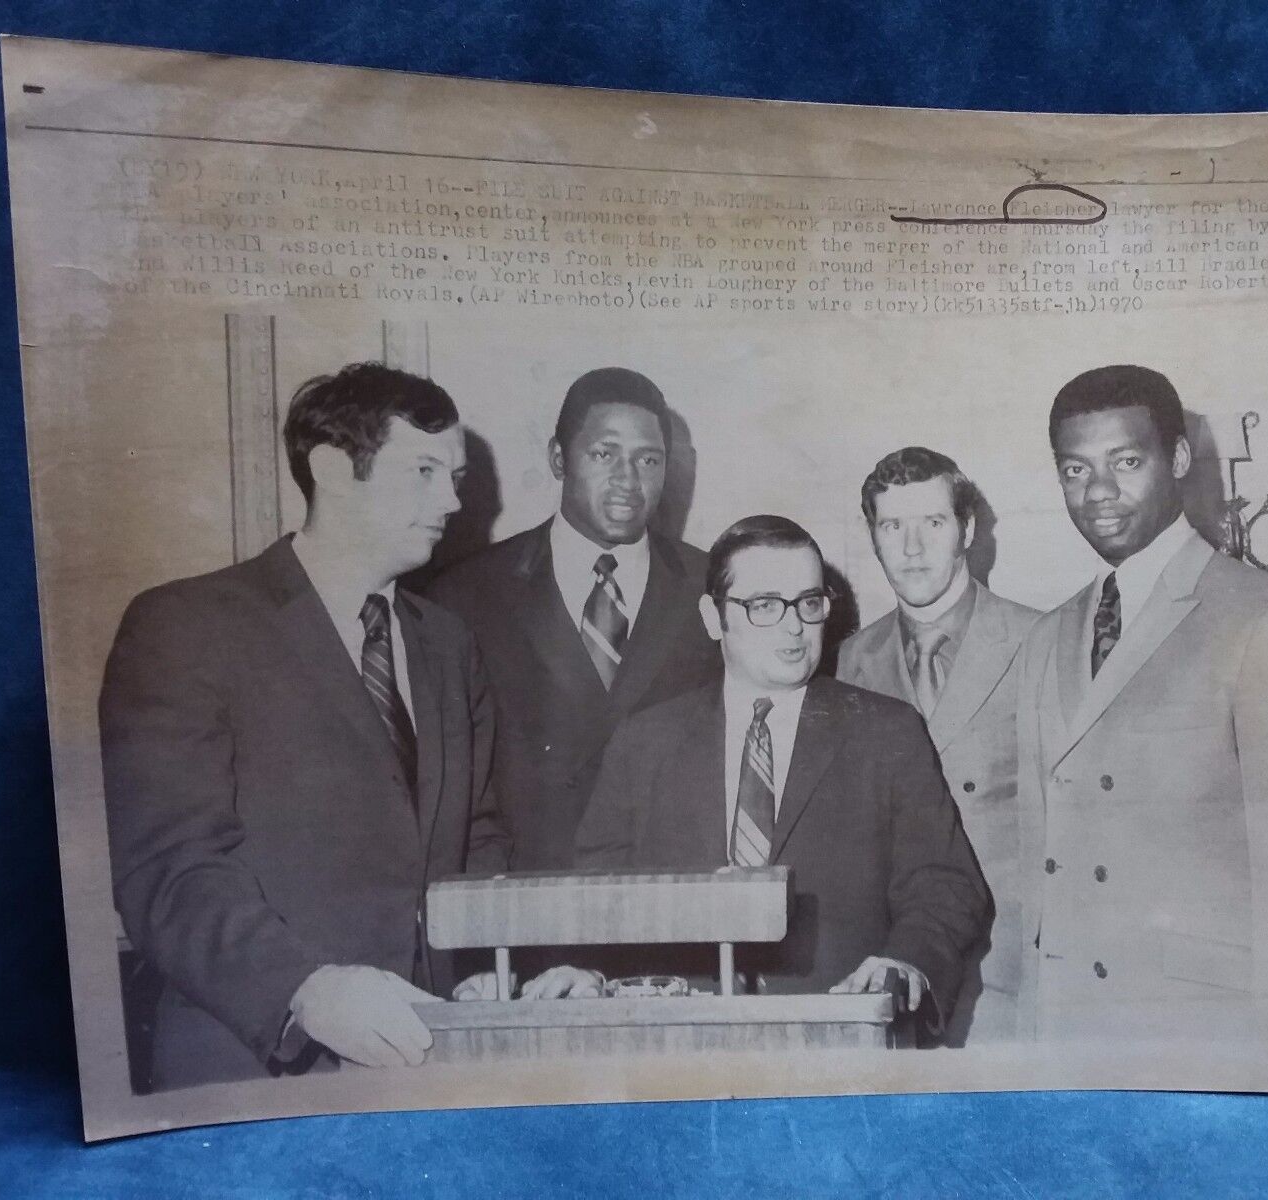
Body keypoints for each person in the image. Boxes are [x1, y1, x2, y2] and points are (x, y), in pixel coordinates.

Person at [100, 362, 499, 1089]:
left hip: (432, 1060)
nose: (450, 499)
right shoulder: (187, 626)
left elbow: (478, 835)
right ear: (333, 469)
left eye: (457, 476)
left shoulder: (450, 643)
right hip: (254, 1067)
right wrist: (306, 991)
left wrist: (488, 963)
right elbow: (170, 869)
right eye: (425, 471)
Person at [513, 516, 990, 1030]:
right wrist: (586, 967)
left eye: (809, 602)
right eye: (764, 605)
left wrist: (906, 962)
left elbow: (945, 884)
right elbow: (599, 892)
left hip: (838, 1036)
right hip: (678, 1041)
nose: (794, 626)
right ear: (712, 617)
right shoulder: (644, 741)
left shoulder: (886, 731)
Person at [1010, 364, 1268, 1043]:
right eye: (1075, 470)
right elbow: (1040, 865)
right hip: (1071, 1031)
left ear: (1179, 457)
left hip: (1200, 1030)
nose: (1099, 492)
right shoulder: (1046, 638)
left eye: (1126, 461)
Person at [425, 368, 718, 873]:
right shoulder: (464, 594)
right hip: (526, 910)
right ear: (558, 458)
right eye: (604, 455)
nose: (628, 480)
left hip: (677, 908)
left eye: (648, 460)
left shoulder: (715, 586)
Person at [836, 447, 1038, 1044]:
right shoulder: (849, 660)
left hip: (1008, 973)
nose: (912, 547)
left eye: (933, 523)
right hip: (897, 974)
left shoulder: (1041, 639)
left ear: (968, 529)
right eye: (892, 526)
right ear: (872, 538)